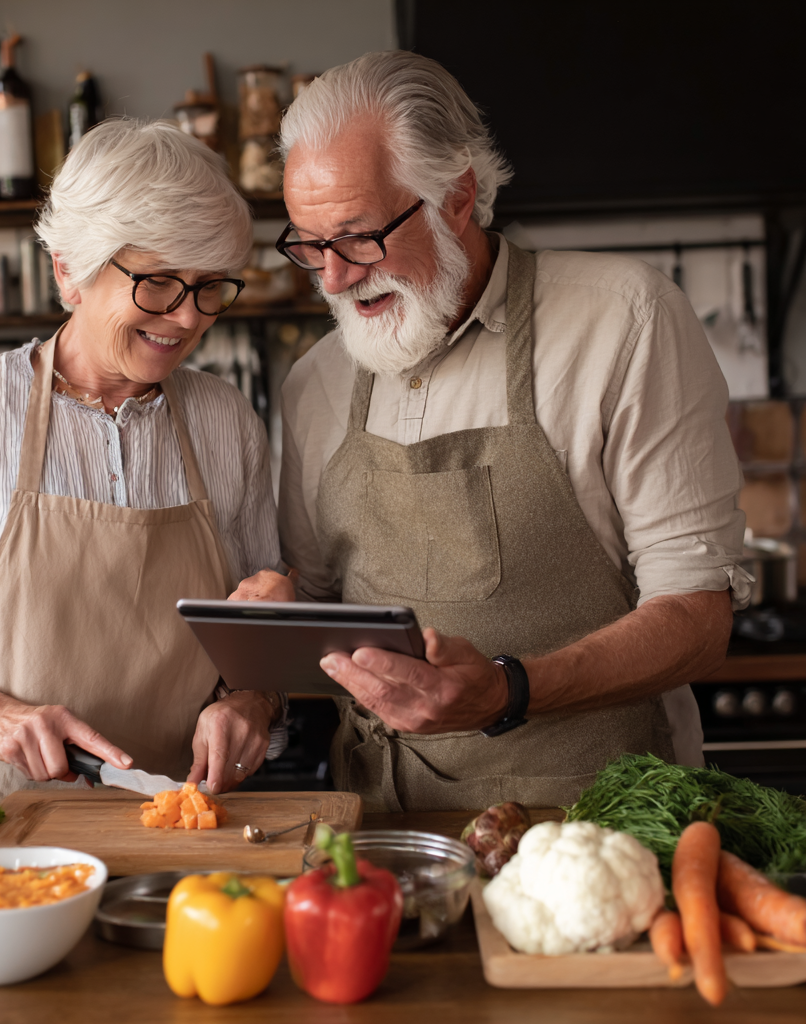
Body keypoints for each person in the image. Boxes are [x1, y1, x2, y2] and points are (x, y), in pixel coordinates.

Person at [274, 51, 750, 812]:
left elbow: (698, 618)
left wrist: (506, 689)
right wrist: (272, 617)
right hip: (382, 836)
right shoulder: (316, 381)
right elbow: (321, 607)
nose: (332, 278)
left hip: (599, 828)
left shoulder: (624, 319)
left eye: (358, 238)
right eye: (308, 244)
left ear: (457, 195)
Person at [0, 119, 294, 800]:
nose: (186, 318)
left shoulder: (225, 421)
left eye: (209, 288)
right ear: (69, 271)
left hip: (165, 820)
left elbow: (259, 643)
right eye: (159, 283)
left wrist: (252, 703)